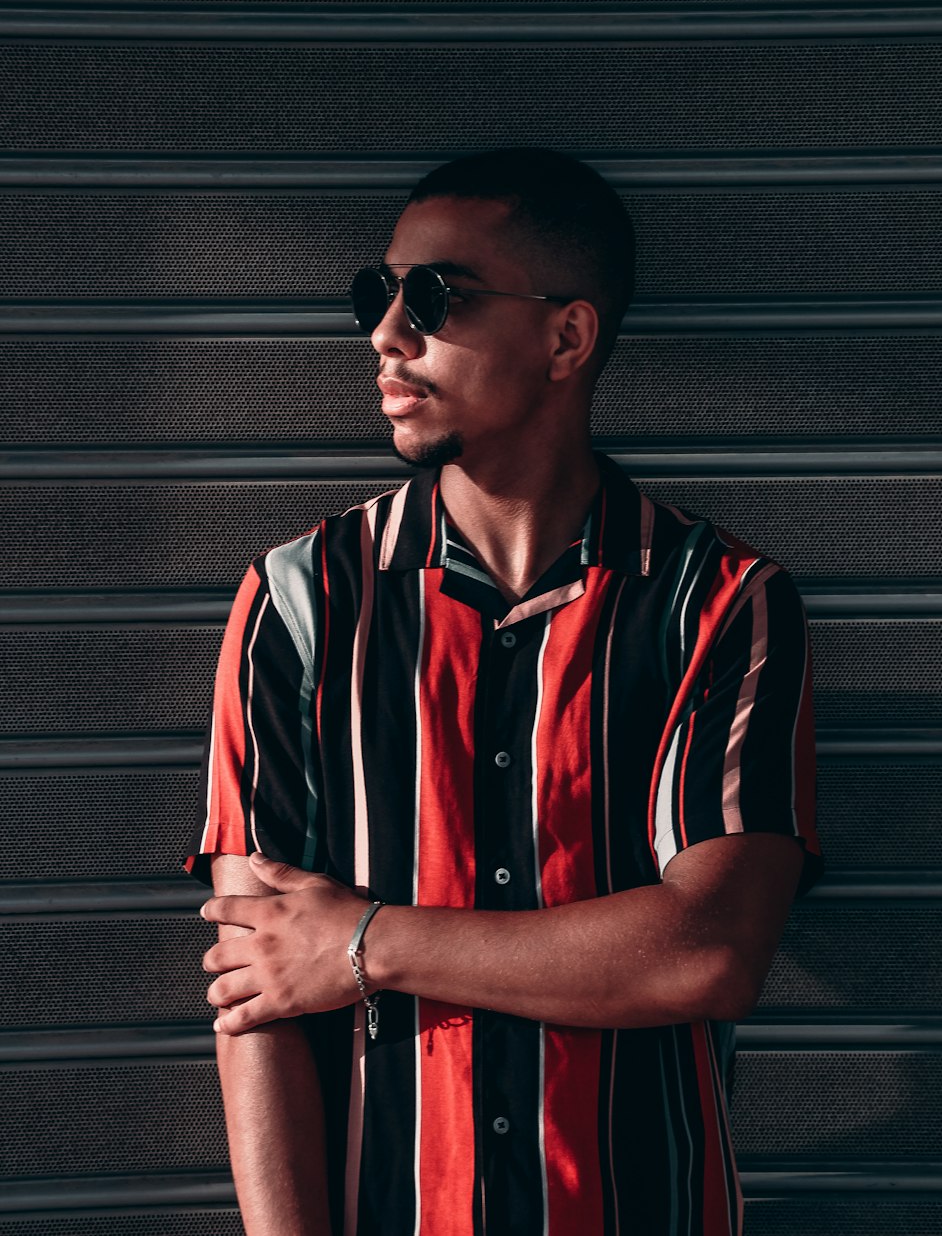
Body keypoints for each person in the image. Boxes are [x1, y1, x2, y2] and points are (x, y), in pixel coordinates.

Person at [184, 146, 823, 1236]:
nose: (387, 332)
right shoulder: (298, 602)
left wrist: (363, 942)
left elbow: (708, 951)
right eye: (374, 294)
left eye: (435, 296)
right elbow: (260, 989)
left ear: (566, 336)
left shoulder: (716, 604)